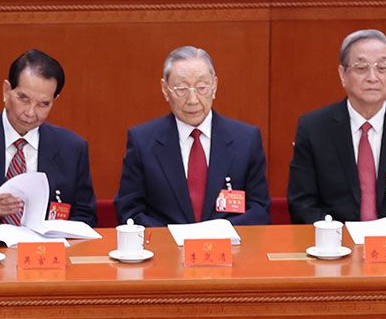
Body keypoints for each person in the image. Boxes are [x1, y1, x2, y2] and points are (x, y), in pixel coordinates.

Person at [286, 29, 386, 224]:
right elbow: (301, 203)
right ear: (342, 74)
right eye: (361, 68)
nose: (372, 77)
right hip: (337, 245)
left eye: (382, 68)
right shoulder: (314, 128)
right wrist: (337, 237)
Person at [0, 49, 99, 227]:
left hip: (46, 252)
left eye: (43, 104)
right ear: (6, 91)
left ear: (54, 100)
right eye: (23, 98)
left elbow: (85, 216)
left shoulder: (72, 148)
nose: (30, 113)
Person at [115, 48, 270, 227]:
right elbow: (129, 211)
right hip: (166, 250)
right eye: (181, 89)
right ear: (165, 90)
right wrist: (172, 238)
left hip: (228, 250)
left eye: (202, 87)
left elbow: (259, 210)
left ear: (214, 86)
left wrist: (219, 231)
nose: (193, 99)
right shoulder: (142, 141)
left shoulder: (246, 140)